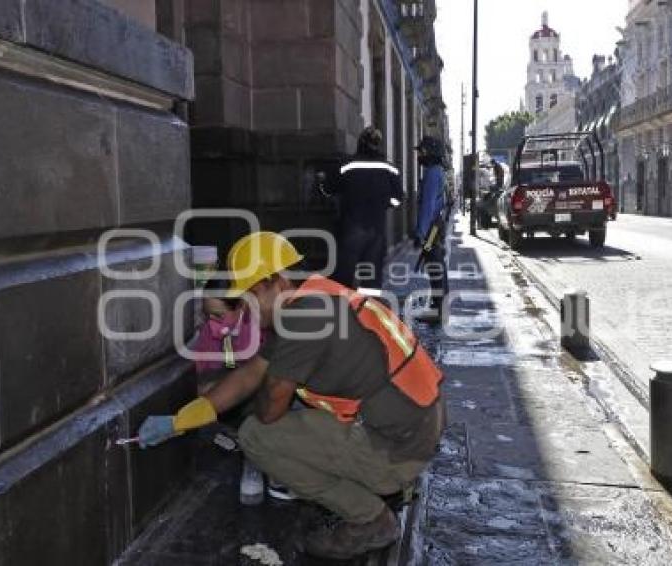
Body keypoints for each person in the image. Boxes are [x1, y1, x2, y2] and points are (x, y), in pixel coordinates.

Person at [136, 232, 445, 559]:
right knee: (285, 416)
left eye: (251, 295)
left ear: (277, 282)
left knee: (257, 436)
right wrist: (180, 420)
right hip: (415, 428)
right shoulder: (315, 296)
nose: (248, 309)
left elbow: (270, 410)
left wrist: (244, 411)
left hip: (398, 448)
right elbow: (249, 374)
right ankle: (381, 485)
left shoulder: (302, 319)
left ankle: (369, 518)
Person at [321, 126, 404, 289]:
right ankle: (369, 309)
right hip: (377, 229)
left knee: (344, 274)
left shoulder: (347, 166)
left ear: (361, 143)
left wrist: (322, 181)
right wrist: (383, 204)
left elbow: (328, 190)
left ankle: (343, 309)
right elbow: (398, 199)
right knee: (372, 277)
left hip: (352, 227)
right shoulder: (390, 169)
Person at [413, 136, 449, 322]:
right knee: (436, 265)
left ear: (431, 152)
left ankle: (438, 310)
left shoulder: (433, 173)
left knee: (435, 265)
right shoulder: (436, 171)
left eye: (422, 151)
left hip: (432, 228)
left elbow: (427, 204)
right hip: (435, 225)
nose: (419, 154)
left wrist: (420, 232)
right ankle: (439, 307)